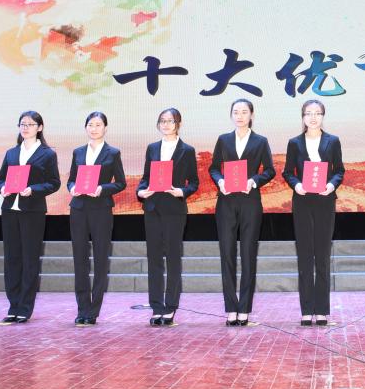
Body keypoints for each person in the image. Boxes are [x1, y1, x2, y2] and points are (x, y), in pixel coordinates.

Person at [209, 99, 276, 326]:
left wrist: (253, 181)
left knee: (248, 255)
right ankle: (231, 308)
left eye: (244, 112)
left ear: (251, 115)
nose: (239, 116)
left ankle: (244, 308)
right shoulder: (223, 139)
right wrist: (220, 181)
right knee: (227, 254)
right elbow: (214, 168)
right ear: (231, 115)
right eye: (236, 112)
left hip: (250, 201)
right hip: (226, 201)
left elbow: (270, 170)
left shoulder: (260, 141)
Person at [281, 100, 345, 326]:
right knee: (305, 257)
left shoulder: (332, 141)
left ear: (323, 116)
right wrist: (297, 184)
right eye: (308, 113)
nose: (313, 117)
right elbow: (288, 172)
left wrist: (331, 185)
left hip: (325, 201)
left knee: (323, 256)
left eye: (317, 113)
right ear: (303, 117)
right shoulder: (294, 143)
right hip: (302, 202)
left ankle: (322, 310)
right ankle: (307, 310)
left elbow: (339, 170)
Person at [0, 111, 60, 325]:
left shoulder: (47, 154)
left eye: (30, 124)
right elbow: (1, 180)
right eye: (22, 124)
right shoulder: (11, 153)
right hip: (9, 210)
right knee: (12, 259)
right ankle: (13, 306)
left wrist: (33, 189)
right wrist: (2, 188)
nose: (25, 127)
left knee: (29, 259)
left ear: (39, 128)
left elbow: (54, 183)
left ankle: (24, 308)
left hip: (32, 211)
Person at [138, 108, 199, 326]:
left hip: (174, 210)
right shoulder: (152, 148)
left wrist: (182, 191)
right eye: (162, 121)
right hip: (153, 208)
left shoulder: (187, 150)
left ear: (178, 124)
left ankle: (171, 306)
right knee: (154, 258)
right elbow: (145, 178)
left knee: (173, 259)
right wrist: (140, 191)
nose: (165, 124)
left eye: (170, 121)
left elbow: (194, 182)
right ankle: (156, 306)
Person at [67, 111, 127, 326]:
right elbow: (71, 180)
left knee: (101, 259)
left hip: (101, 209)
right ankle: (82, 308)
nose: (94, 128)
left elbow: (120, 183)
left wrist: (102, 188)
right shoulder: (78, 152)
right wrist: (72, 188)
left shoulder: (113, 152)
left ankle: (93, 310)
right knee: (80, 259)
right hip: (78, 208)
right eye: (90, 125)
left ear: (105, 128)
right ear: (86, 127)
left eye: (98, 124)